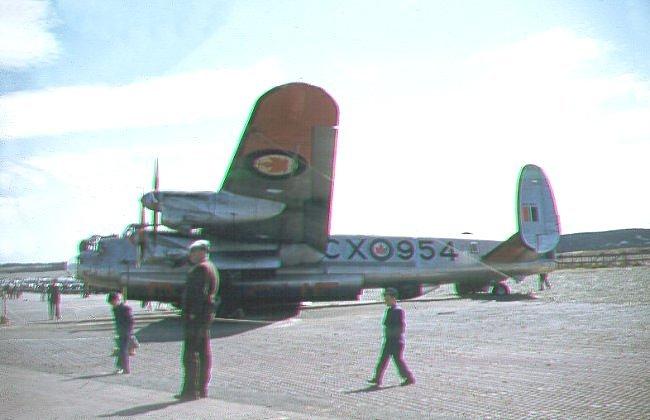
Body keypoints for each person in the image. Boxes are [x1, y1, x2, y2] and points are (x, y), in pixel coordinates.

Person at [176, 239, 219, 400]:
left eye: (193, 252)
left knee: (190, 354)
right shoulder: (211, 267)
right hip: (205, 316)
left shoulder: (201, 269)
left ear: (201, 252)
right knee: (203, 352)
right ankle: (201, 388)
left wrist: (192, 314)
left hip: (196, 318)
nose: (191, 255)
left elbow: (198, 294)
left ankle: (190, 390)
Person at [368, 288, 415, 387]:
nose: (385, 301)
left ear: (394, 299)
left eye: (387, 299)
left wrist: (393, 336)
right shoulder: (390, 310)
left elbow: (400, 327)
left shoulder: (397, 311)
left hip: (395, 340)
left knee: (397, 360)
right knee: (384, 360)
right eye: (385, 299)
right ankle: (377, 379)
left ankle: (409, 378)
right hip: (390, 339)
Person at [108, 292, 134, 374]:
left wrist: (127, 331)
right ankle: (121, 367)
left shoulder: (125, 308)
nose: (112, 304)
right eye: (111, 303)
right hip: (121, 332)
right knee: (121, 350)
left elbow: (131, 321)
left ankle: (126, 369)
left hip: (126, 332)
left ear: (116, 300)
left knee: (123, 350)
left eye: (113, 302)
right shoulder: (115, 309)